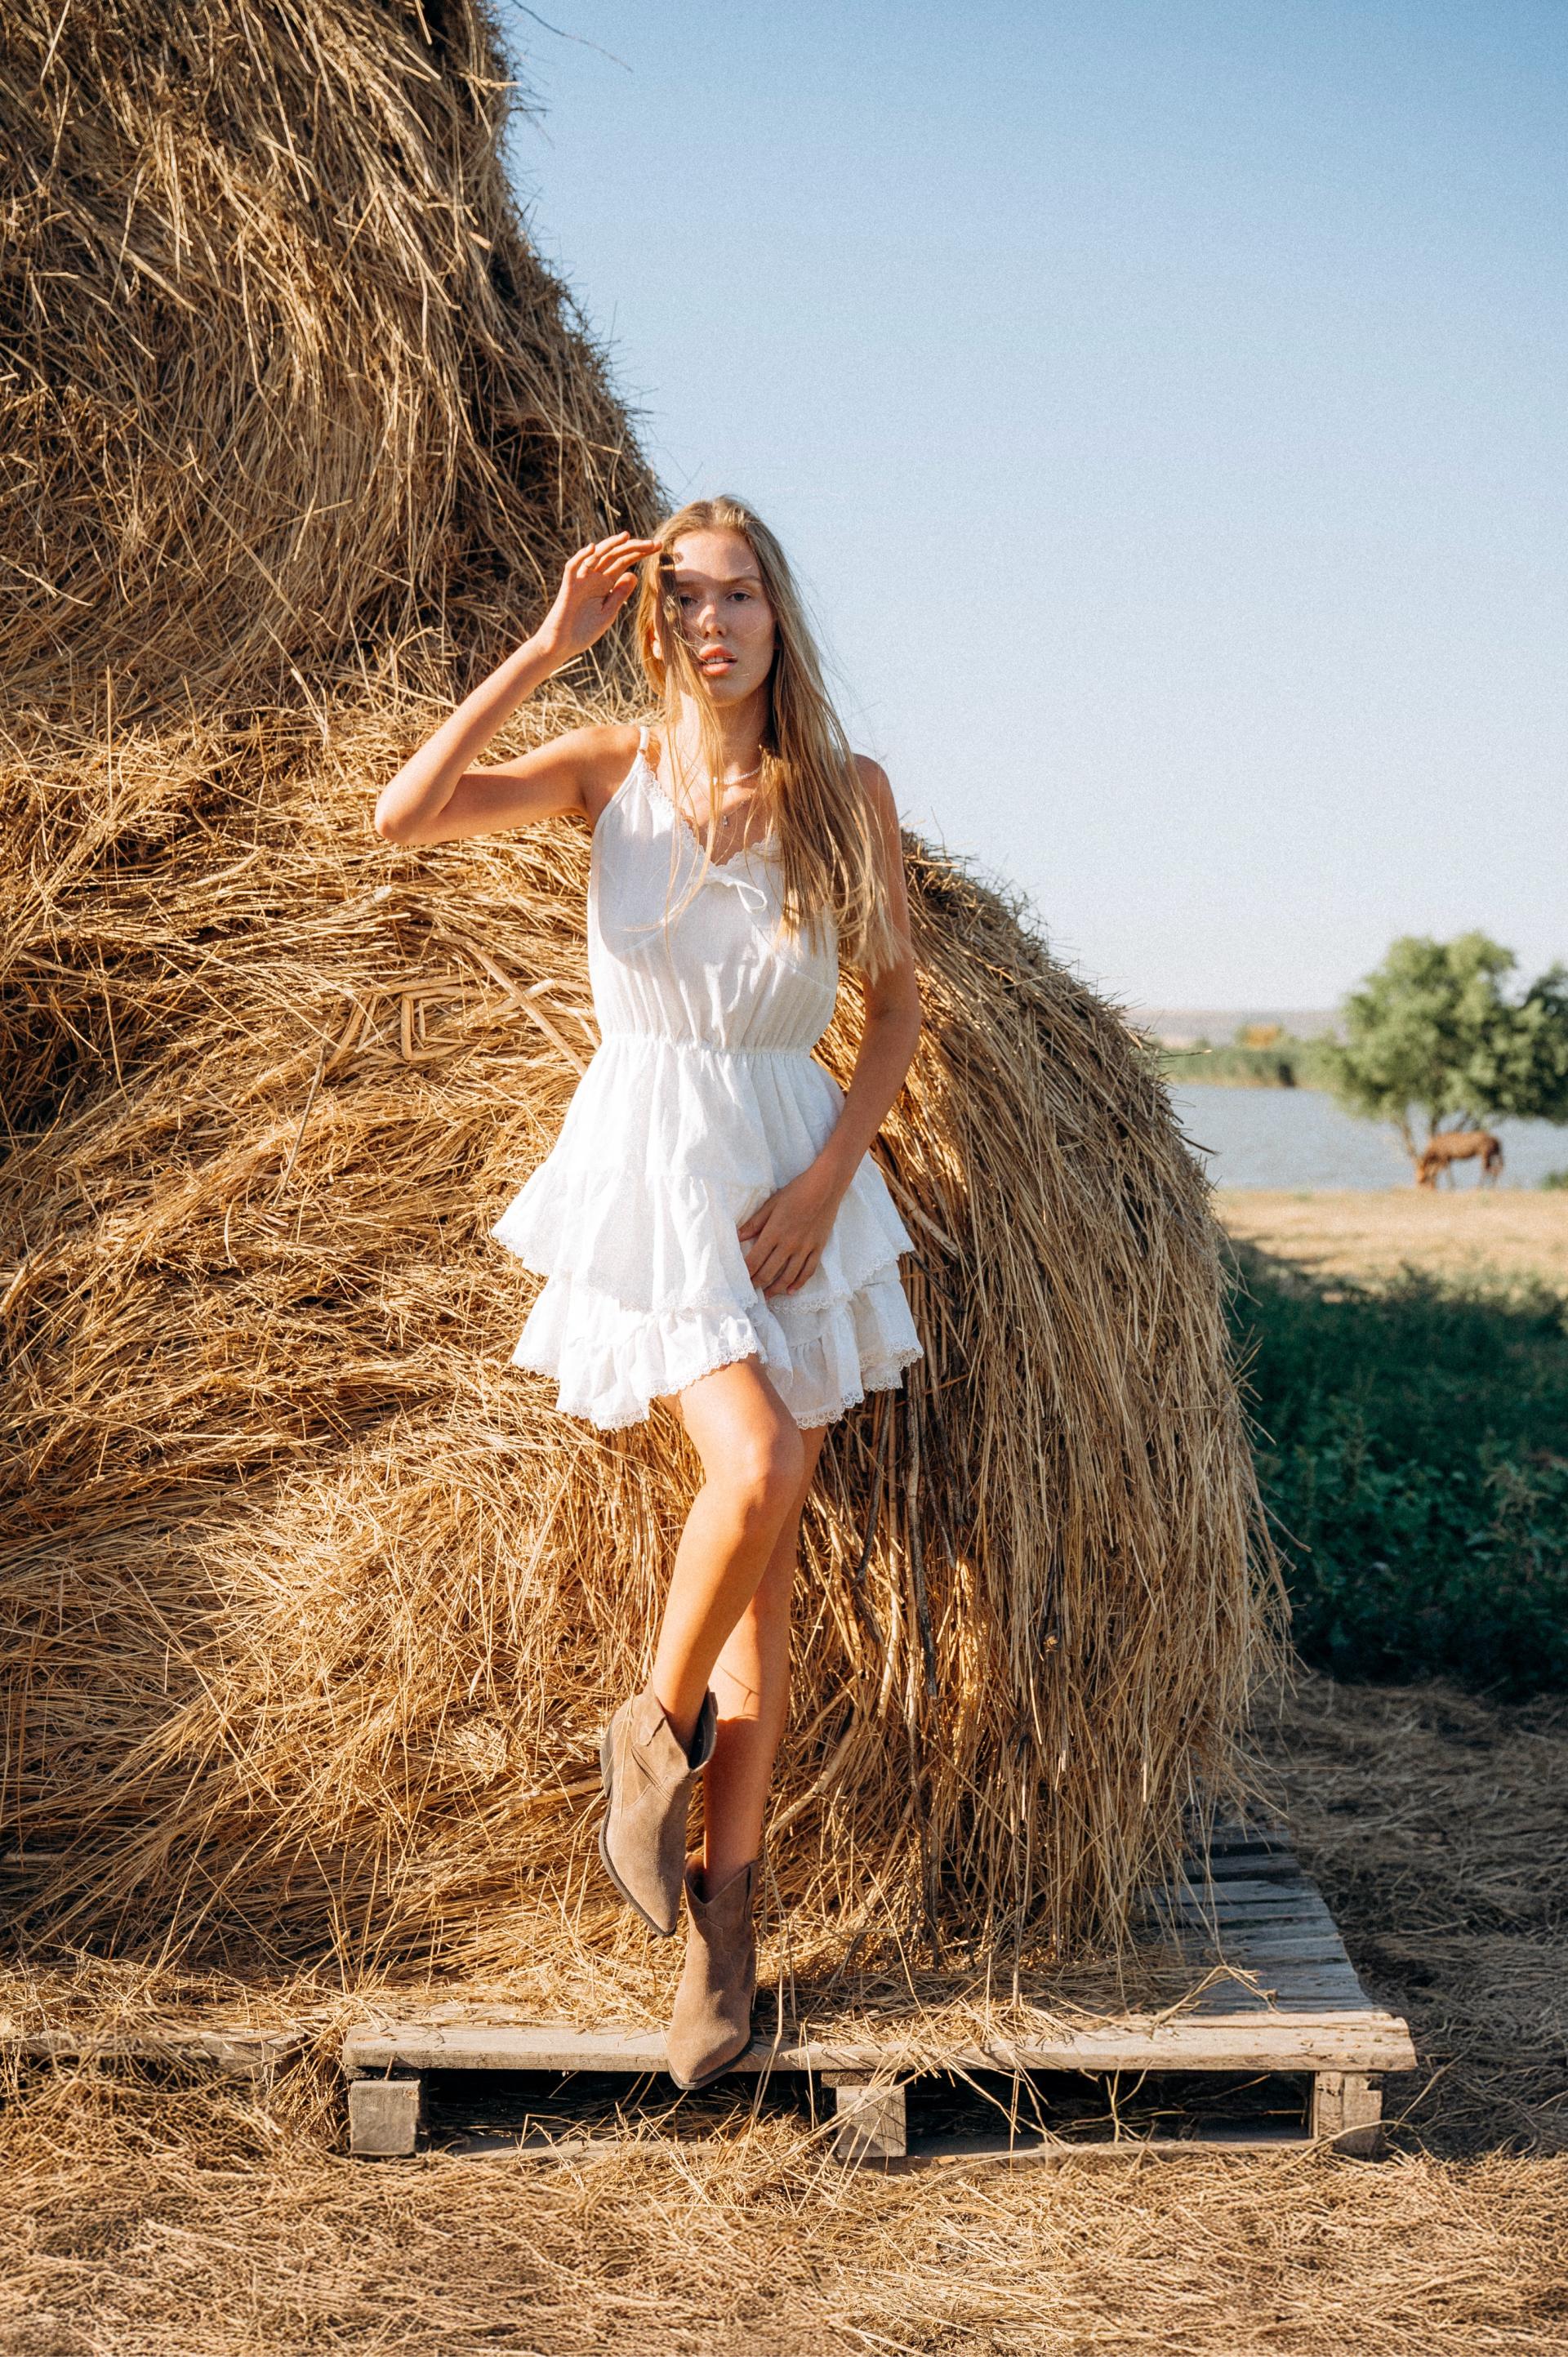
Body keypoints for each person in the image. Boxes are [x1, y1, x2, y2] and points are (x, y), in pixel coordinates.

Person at [374, 496, 924, 2087]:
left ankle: (721, 1925)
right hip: (653, 1164)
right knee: (757, 1460)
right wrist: (545, 650)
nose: (710, 622)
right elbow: (406, 815)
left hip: (789, 1167)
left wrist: (826, 1184)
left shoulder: (844, 793)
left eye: (737, 595)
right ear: (651, 621)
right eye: (682, 597)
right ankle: (652, 1736)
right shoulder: (606, 767)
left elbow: (893, 1005)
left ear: (777, 616)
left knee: (773, 1559)